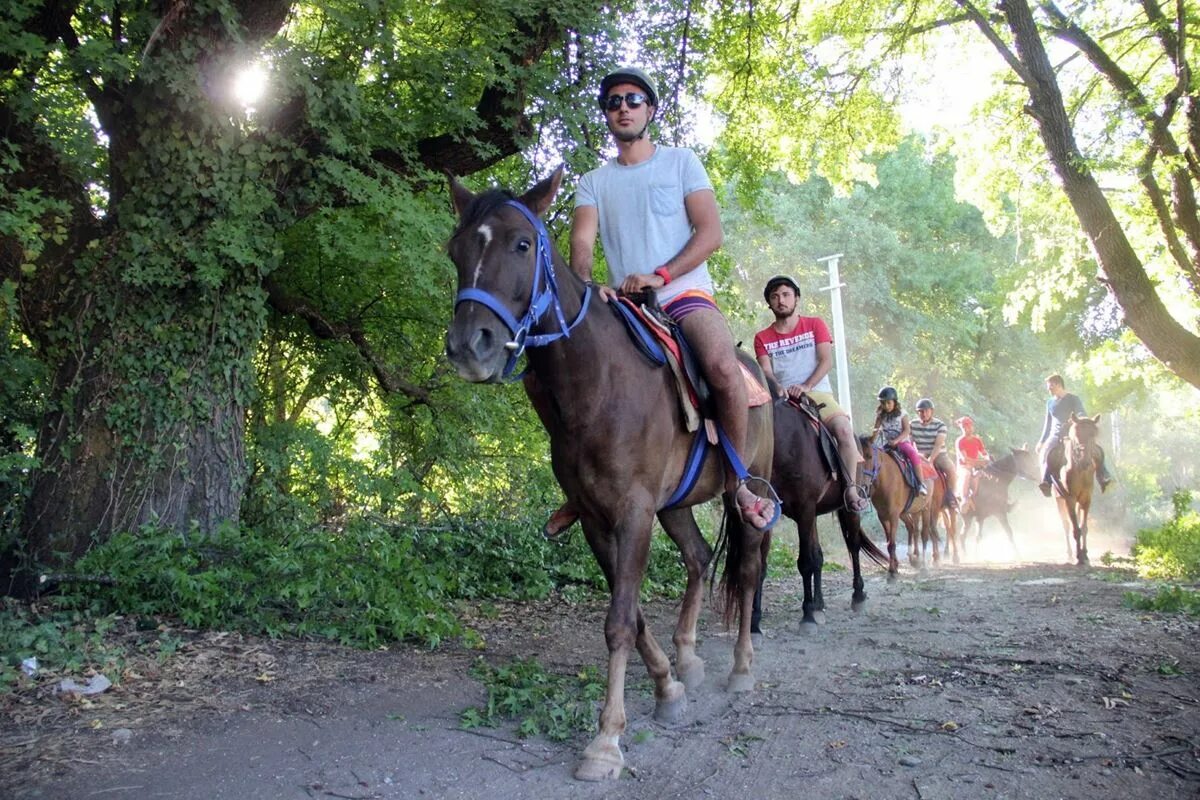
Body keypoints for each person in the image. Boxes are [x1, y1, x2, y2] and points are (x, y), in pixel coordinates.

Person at [567, 65, 775, 529]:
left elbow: (711, 232)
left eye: (632, 99)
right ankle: (580, 487)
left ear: (650, 110)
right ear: (606, 114)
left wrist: (662, 275)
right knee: (561, 366)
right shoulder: (593, 181)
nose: (622, 107)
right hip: (625, 303)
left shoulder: (681, 162)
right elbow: (582, 243)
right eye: (613, 102)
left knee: (723, 366)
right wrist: (585, 283)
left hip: (684, 293)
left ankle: (738, 480)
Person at [753, 275, 869, 512]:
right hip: (781, 400)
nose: (780, 300)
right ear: (769, 304)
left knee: (845, 432)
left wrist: (806, 386)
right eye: (774, 297)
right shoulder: (762, 337)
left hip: (817, 394)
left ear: (796, 298)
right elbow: (766, 370)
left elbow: (826, 362)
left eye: (786, 295)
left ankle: (850, 489)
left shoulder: (815, 324)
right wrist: (777, 387)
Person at [1036, 374, 1113, 497]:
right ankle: (1046, 482)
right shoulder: (1050, 403)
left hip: (1073, 434)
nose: (1049, 390)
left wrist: (1079, 419)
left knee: (1096, 449)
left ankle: (1103, 475)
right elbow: (1048, 423)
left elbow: (1081, 412)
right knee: (1047, 451)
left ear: (1058, 384)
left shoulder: (1073, 399)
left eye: (1050, 387)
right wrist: (1041, 441)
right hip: (1055, 435)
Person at [872, 387, 925, 494]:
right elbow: (876, 430)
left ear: (894, 402)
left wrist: (896, 441)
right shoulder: (880, 415)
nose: (886, 406)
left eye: (888, 403)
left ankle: (921, 483)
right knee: (876, 457)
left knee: (912, 453)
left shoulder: (902, 413)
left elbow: (907, 430)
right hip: (888, 444)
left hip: (902, 442)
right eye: (883, 403)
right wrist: (871, 441)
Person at [910, 398, 957, 507]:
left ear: (932, 411)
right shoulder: (912, 424)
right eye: (921, 411)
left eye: (926, 411)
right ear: (917, 412)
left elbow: (938, 445)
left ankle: (951, 495)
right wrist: (916, 455)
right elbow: (910, 442)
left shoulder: (940, 425)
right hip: (921, 454)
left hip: (939, 454)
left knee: (951, 468)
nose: (924, 413)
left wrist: (930, 461)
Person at [954, 415, 990, 509]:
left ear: (972, 427)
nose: (967, 429)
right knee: (966, 474)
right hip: (964, 467)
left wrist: (987, 458)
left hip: (975, 467)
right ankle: (964, 498)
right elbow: (965, 459)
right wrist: (981, 462)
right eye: (964, 427)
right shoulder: (960, 441)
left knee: (991, 474)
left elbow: (984, 452)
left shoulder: (977, 440)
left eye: (968, 426)